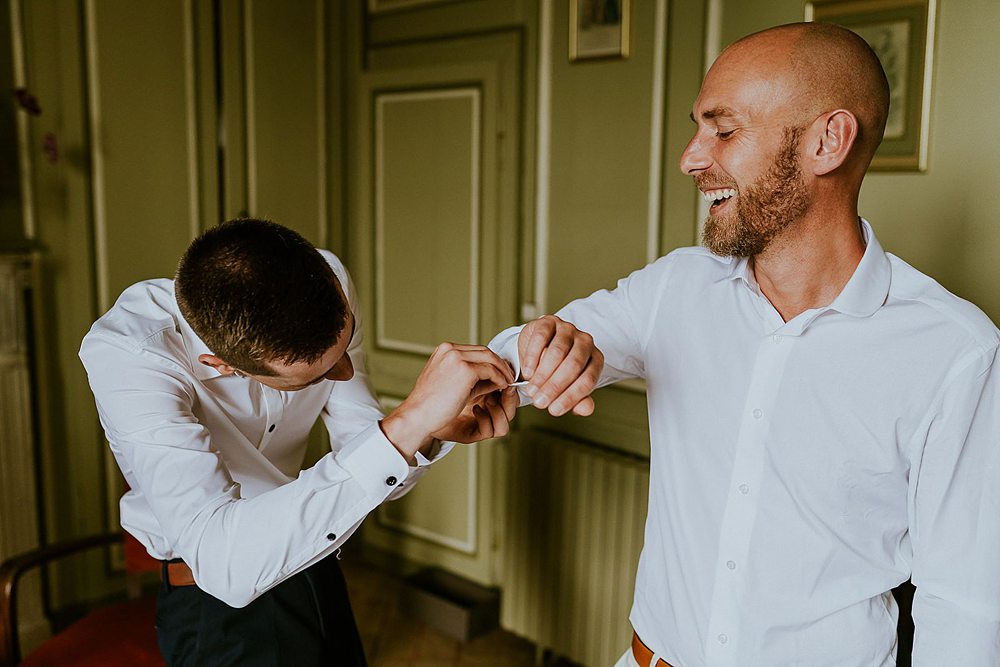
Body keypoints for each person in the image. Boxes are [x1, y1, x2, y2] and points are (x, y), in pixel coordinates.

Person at [491, 22, 1000, 666]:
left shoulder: (957, 354)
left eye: (723, 130)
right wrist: (543, 346)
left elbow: (965, 608)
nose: (691, 158)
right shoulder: (675, 287)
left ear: (827, 141)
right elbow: (519, 358)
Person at [79, 218, 518, 666]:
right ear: (224, 365)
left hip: (314, 555)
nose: (344, 373)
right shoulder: (131, 355)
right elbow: (224, 564)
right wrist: (410, 422)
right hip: (216, 608)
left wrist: (425, 431)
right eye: (317, 377)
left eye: (344, 347)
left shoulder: (329, 283)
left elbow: (369, 463)